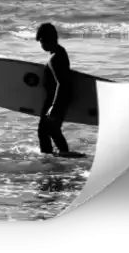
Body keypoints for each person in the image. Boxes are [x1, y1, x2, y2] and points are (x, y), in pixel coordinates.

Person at [36, 22, 75, 156]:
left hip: (56, 100)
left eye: (40, 41)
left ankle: (56, 157)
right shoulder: (59, 51)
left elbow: (62, 83)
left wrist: (54, 106)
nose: (41, 45)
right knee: (49, 130)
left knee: (48, 130)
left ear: (44, 39)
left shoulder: (54, 58)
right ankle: (58, 156)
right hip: (57, 99)